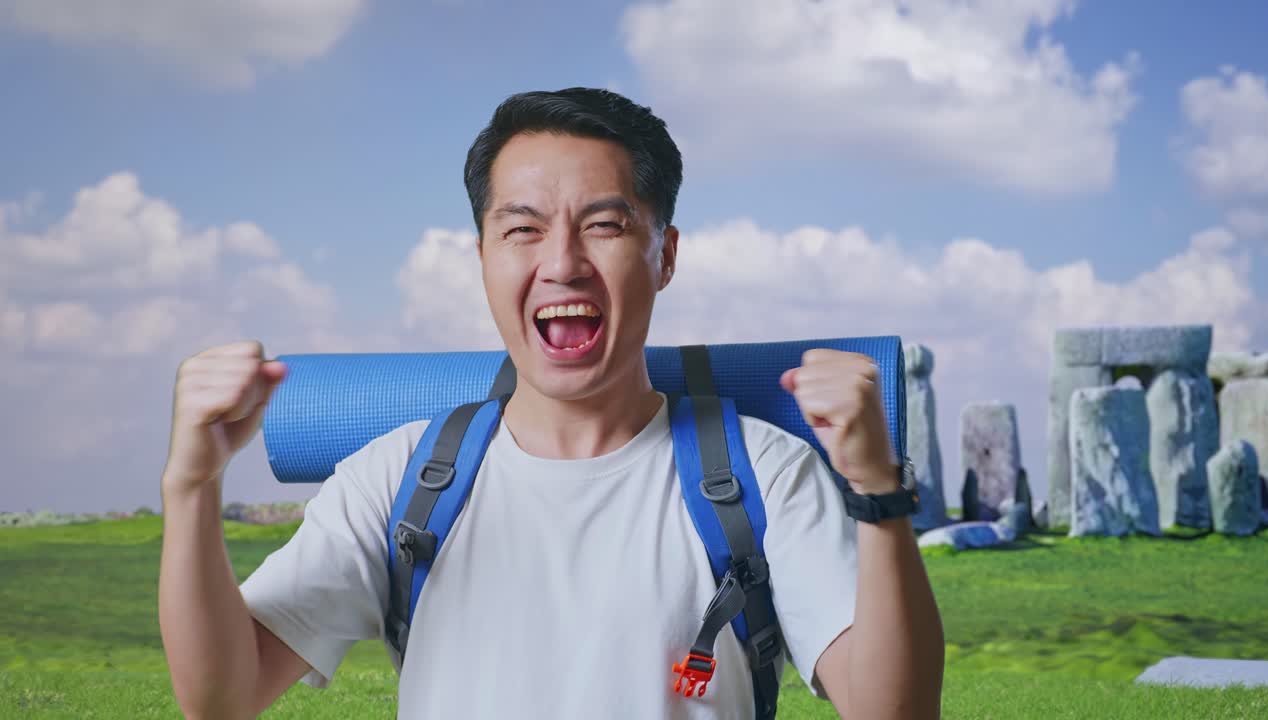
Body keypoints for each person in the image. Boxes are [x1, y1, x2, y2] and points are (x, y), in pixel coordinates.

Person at [158, 87, 945, 719]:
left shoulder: (762, 475)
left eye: (604, 225)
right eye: (523, 230)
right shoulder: (402, 479)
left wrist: (879, 492)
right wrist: (190, 491)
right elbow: (221, 698)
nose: (562, 263)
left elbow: (894, 711)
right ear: (483, 257)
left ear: (663, 255)